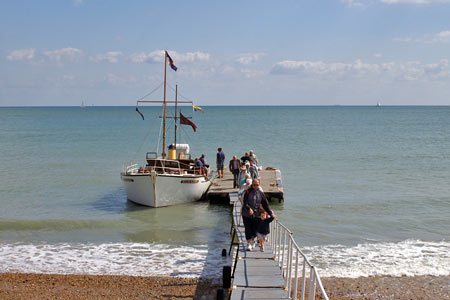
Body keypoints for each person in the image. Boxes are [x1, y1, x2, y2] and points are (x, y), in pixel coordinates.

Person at [242, 179, 273, 251]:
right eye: (254, 185)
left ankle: (253, 241)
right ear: (252, 185)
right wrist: (249, 209)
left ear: (259, 185)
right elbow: (245, 202)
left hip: (256, 215)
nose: (255, 186)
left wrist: (270, 213)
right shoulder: (248, 191)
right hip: (246, 214)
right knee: (248, 229)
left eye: (257, 185)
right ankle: (248, 244)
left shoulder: (261, 193)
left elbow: (266, 205)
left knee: (255, 229)